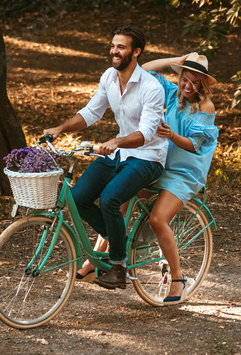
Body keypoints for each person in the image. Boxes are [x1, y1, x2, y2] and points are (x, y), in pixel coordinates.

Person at [74, 53, 219, 304]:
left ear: (202, 84)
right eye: (185, 79)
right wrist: (177, 58)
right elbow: (142, 70)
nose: (187, 86)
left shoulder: (205, 107)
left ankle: (177, 278)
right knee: (120, 197)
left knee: (157, 219)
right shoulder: (173, 93)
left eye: (194, 82)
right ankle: (98, 257)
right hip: (160, 162)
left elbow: (196, 146)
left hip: (184, 172)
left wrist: (171, 135)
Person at [42, 25, 166, 290]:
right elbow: (91, 112)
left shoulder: (151, 87)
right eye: (113, 45)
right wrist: (60, 129)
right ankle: (117, 237)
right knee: (77, 199)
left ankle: (119, 268)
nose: (114, 51)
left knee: (110, 198)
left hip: (148, 157)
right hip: (121, 152)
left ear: (136, 52)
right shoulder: (109, 76)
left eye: (121, 47)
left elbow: (146, 134)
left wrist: (117, 140)